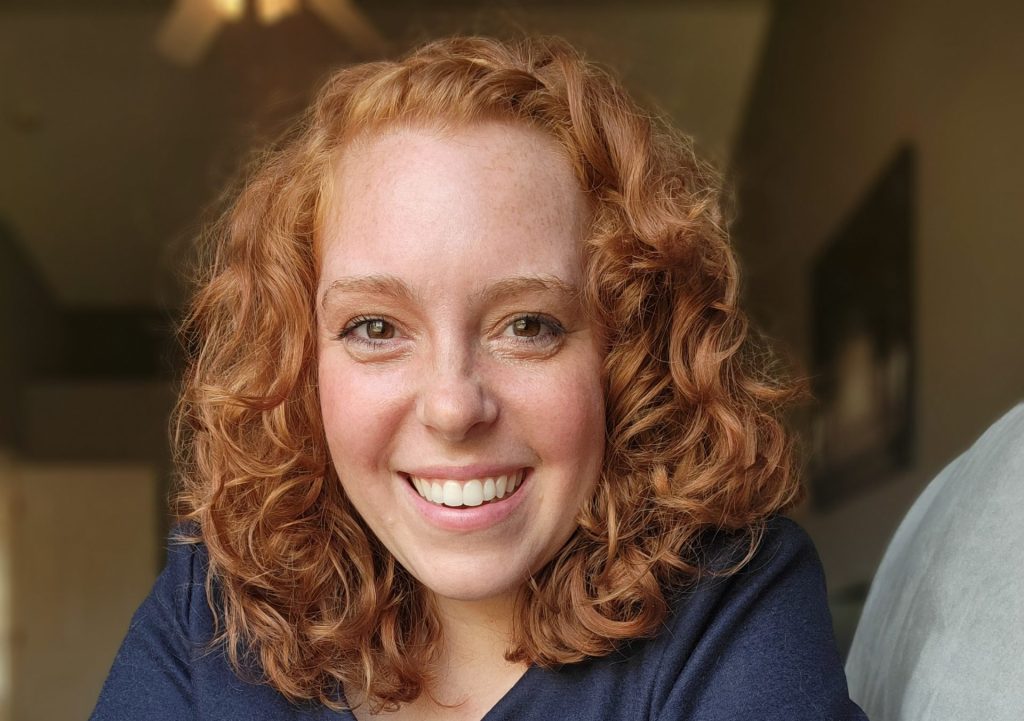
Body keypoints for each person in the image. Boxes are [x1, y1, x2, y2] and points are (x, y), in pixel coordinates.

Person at [91, 36, 868, 720]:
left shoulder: (732, 596)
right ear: (301, 363)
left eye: (528, 325)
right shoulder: (216, 603)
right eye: (375, 327)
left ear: (626, 353)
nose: (454, 405)